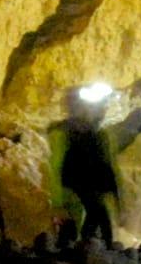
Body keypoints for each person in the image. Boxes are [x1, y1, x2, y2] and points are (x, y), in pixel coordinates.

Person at [51, 84, 123, 249]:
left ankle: (90, 253)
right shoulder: (65, 133)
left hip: (89, 188)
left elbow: (108, 163)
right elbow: (56, 166)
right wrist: (57, 203)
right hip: (74, 190)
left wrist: (117, 193)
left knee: (96, 220)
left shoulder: (99, 134)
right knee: (90, 222)